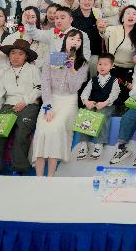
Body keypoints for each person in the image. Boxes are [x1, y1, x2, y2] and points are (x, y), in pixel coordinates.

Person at [32, 29, 88, 177]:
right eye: (72, 38)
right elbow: (45, 82)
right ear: (65, 40)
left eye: (78, 40)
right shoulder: (54, 57)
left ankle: (51, 176)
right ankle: (38, 177)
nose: (75, 42)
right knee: (42, 130)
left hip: (68, 101)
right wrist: (48, 106)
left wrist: (72, 69)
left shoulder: (83, 63)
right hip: (51, 99)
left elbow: (74, 88)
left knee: (55, 129)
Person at [0, 39, 41, 174]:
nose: (16, 57)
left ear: (26, 56)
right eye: (13, 53)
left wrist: (25, 101)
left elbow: (40, 88)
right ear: (9, 55)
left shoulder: (33, 69)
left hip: (29, 105)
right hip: (8, 105)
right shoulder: (5, 72)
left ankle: (19, 167)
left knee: (21, 132)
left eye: (20, 54)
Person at [74, 53, 119, 161]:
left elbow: (114, 94)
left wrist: (105, 103)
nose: (102, 66)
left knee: (102, 114)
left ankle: (99, 143)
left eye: (105, 64)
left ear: (111, 66)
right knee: (85, 113)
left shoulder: (114, 80)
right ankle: (83, 144)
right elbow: (85, 92)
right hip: (94, 103)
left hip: (107, 105)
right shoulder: (93, 79)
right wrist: (86, 101)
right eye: (99, 64)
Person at [98, 5, 136, 103]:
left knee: (126, 96)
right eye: (128, 13)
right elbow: (105, 34)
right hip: (113, 68)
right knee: (109, 95)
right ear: (122, 18)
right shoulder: (113, 29)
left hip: (131, 70)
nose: (131, 16)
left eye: (134, 14)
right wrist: (102, 30)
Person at [70, 0, 102, 67]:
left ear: (94, 2)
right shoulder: (71, 16)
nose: (87, 2)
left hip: (94, 53)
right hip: (76, 53)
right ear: (79, 0)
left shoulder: (98, 15)